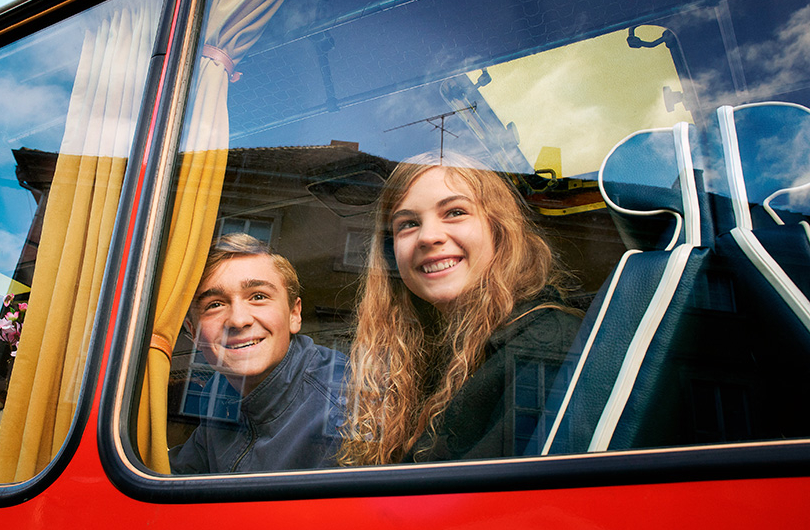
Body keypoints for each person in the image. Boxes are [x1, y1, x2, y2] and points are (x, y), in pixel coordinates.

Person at [340, 151, 581, 466]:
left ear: (498, 228)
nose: (429, 237)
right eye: (408, 224)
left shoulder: (542, 348)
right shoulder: (419, 355)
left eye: (454, 212)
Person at [170, 233, 347, 474]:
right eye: (215, 304)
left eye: (258, 297)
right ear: (193, 333)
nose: (238, 320)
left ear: (294, 315)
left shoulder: (342, 400)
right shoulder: (218, 390)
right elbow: (187, 472)